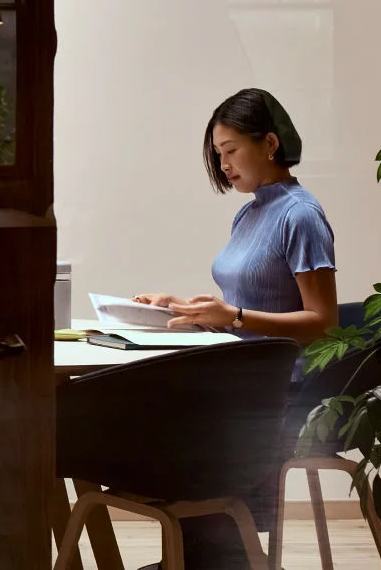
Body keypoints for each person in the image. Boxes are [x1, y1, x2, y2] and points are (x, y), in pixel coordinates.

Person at [132, 87, 337, 569]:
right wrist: (178, 305)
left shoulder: (300, 215)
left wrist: (236, 317)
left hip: (276, 391)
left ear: (269, 143)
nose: (223, 165)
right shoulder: (251, 211)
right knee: (148, 410)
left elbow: (323, 323)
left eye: (230, 151)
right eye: (218, 154)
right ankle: (209, 558)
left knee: (169, 428)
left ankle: (219, 558)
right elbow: (244, 304)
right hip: (238, 378)